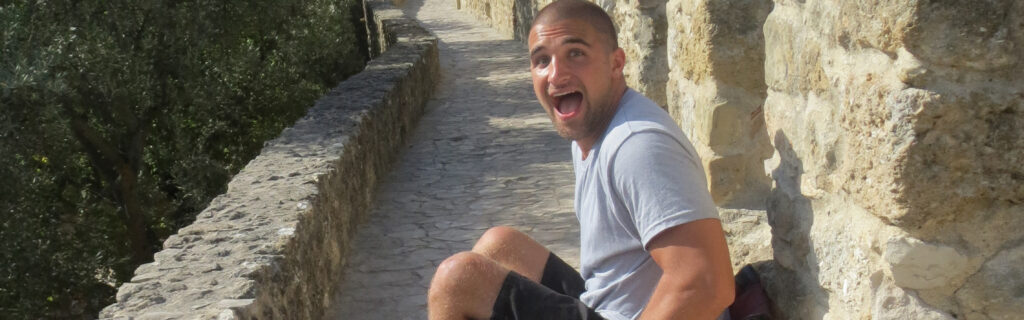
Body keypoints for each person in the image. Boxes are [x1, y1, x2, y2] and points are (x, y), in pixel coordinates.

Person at [427, 0, 735, 319]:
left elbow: (708, 283)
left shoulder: (637, 145)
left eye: (575, 53)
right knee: (500, 245)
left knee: (457, 279)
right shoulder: (589, 130)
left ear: (616, 63)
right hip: (605, 303)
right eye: (542, 60)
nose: (556, 74)